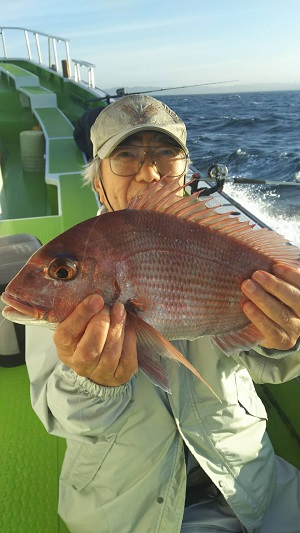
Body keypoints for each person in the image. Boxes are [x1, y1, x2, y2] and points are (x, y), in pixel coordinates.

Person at [25, 94, 300, 533]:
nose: (149, 172)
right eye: (126, 155)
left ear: (185, 169)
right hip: (131, 508)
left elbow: (271, 368)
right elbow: (60, 415)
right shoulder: (72, 264)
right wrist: (91, 382)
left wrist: (286, 337)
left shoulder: (223, 243)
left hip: (254, 483)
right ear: (97, 181)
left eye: (165, 153)